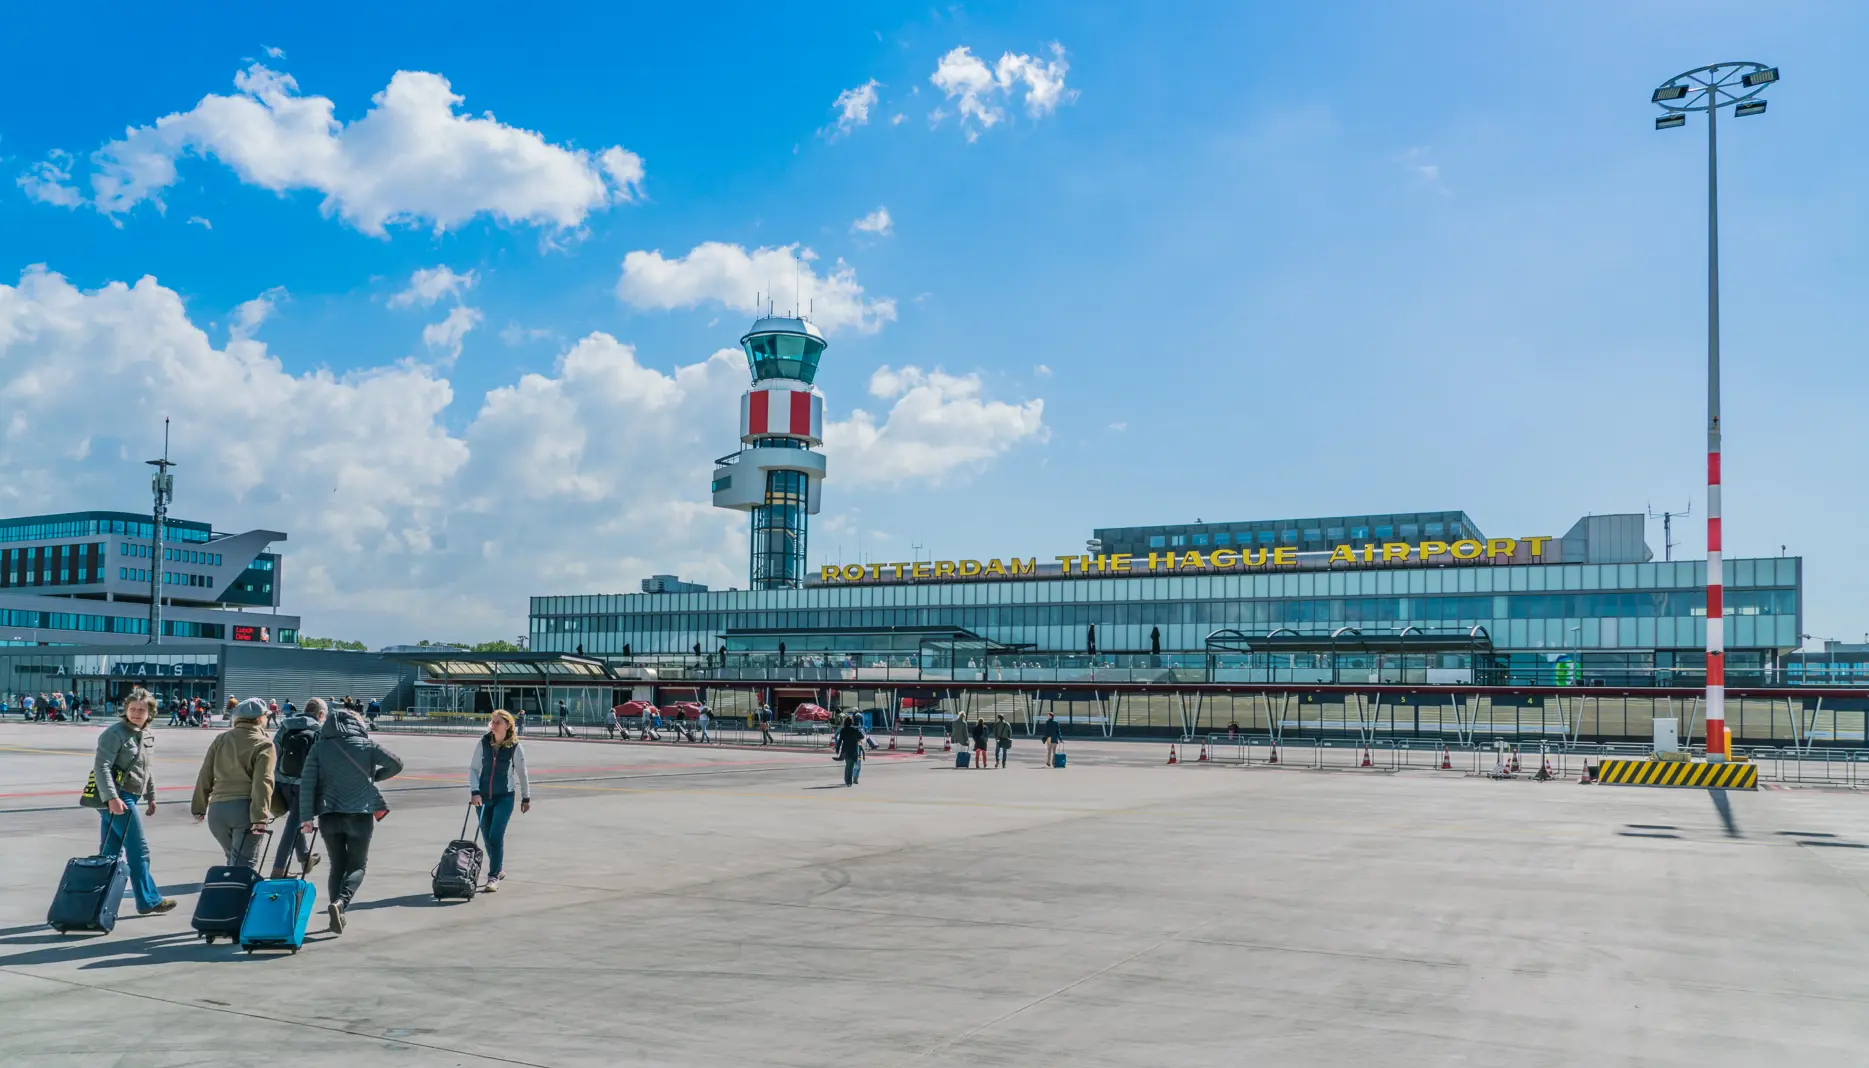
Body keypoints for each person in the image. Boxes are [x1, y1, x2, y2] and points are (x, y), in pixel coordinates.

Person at [298, 704, 404, 935]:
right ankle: (341, 904)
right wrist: (374, 776)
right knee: (357, 865)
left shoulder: (319, 748)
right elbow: (396, 763)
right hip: (360, 814)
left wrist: (306, 817)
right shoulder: (367, 745)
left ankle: (335, 914)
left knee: (337, 864)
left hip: (329, 814)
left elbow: (307, 783)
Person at [86, 687, 177, 915]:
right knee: (139, 850)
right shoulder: (114, 733)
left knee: (110, 853)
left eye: (141, 709)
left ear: (150, 713)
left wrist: (151, 795)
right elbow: (102, 767)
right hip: (117, 797)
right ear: (125, 709)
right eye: (132, 708)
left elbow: (146, 768)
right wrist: (112, 798)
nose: (136, 713)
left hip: (130, 797)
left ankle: (94, 904)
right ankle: (148, 900)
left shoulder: (146, 734)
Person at [189, 697, 279, 869]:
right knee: (244, 866)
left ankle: (227, 892)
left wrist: (199, 807)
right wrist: (260, 817)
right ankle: (234, 895)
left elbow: (205, 774)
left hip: (217, 812)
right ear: (260, 718)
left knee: (233, 860)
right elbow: (263, 782)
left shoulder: (220, 740)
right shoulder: (264, 744)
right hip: (244, 811)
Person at [468, 709, 532, 892]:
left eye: (497, 722)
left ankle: (493, 876)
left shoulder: (515, 746)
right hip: (482, 797)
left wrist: (526, 797)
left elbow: (522, 773)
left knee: (495, 835)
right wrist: (474, 791)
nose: (493, 725)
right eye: (492, 721)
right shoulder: (483, 743)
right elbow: (473, 769)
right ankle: (500, 868)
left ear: (507, 725)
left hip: (504, 797)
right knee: (487, 837)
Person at [268, 698, 326, 879]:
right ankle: (278, 868)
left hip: (283, 781)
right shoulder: (319, 729)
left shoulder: (286, 724)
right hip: (305, 785)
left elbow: (274, 749)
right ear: (321, 714)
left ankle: (305, 857)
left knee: (294, 821)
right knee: (292, 826)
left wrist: (276, 776)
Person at [835, 714, 865, 786]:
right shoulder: (855, 729)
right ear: (852, 722)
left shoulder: (843, 730)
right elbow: (862, 736)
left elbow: (839, 740)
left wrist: (837, 749)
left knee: (848, 765)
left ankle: (846, 779)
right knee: (851, 766)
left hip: (845, 750)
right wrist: (857, 737)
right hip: (853, 750)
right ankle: (848, 782)